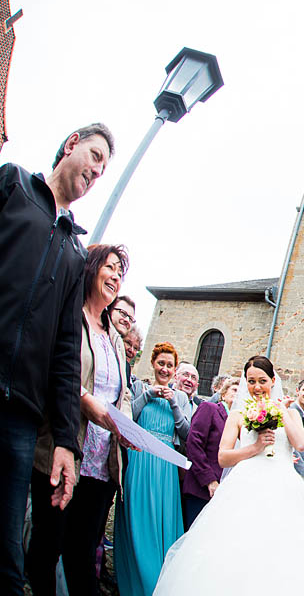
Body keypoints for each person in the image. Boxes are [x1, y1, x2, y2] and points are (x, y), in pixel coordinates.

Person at [0, 122, 113, 595]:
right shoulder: (12, 186)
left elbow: (67, 352)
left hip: (22, 416)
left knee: (6, 558)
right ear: (71, 145)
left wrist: (66, 442)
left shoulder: (73, 250)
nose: (97, 171)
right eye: (95, 157)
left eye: (104, 168)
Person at [154, 355, 304, 594]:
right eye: (251, 381)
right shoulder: (237, 415)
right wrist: (254, 448)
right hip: (245, 485)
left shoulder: (290, 412)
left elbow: (300, 443)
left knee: (282, 550)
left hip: (282, 487)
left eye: (262, 380)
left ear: (273, 380)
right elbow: (223, 456)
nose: (257, 387)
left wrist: (281, 411)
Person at [27, 244, 132, 596]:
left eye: (121, 271)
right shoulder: (68, 315)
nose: (117, 276)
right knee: (46, 549)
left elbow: (123, 392)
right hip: (66, 449)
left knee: (82, 554)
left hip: (102, 463)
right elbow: (57, 371)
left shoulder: (115, 338)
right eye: (111, 267)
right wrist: (87, 403)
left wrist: (127, 427)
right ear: (90, 269)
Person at [115, 342, 191, 596]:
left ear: (175, 370)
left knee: (163, 518)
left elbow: (186, 434)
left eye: (170, 365)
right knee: (137, 518)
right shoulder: (139, 388)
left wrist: (174, 404)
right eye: (161, 363)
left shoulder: (180, 397)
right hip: (139, 460)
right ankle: (137, 580)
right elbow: (129, 418)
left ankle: (161, 583)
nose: (165, 369)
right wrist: (148, 395)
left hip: (166, 467)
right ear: (153, 363)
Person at [181, 377, 239, 529]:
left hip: (225, 491)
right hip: (201, 488)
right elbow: (194, 444)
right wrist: (209, 480)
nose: (238, 394)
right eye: (234, 389)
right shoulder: (210, 409)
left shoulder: (242, 424)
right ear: (223, 393)